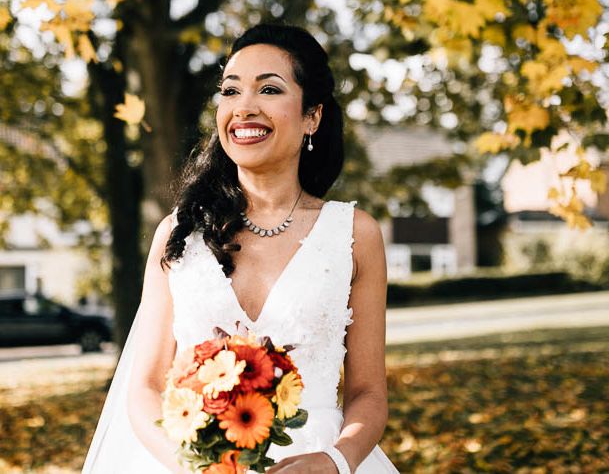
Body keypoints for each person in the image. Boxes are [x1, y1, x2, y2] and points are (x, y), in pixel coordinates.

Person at [83, 24, 399, 473]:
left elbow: (368, 393)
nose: (243, 108)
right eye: (230, 92)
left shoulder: (354, 235)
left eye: (269, 89)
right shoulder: (179, 233)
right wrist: (194, 465)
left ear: (313, 116)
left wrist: (335, 460)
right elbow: (145, 386)